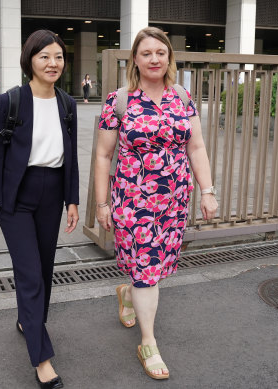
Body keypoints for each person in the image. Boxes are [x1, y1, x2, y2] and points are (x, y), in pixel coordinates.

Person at [94, 27, 218, 380]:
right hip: (134, 202)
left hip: (174, 200)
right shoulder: (119, 101)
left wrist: (207, 190)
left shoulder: (182, 96)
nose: (154, 59)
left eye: (160, 53)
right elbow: (103, 155)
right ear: (135, 59)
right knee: (148, 270)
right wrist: (102, 204)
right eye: (146, 53)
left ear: (169, 58)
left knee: (155, 266)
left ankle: (129, 292)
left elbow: (196, 147)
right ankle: (148, 342)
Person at [0, 29, 79, 389]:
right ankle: (42, 358)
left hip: (52, 193)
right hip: (15, 197)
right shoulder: (11, 101)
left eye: (59, 57)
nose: (53, 63)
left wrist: (72, 200)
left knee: (46, 269)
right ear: (30, 60)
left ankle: (27, 320)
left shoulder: (68, 104)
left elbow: (71, 156)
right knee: (30, 274)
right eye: (44, 56)